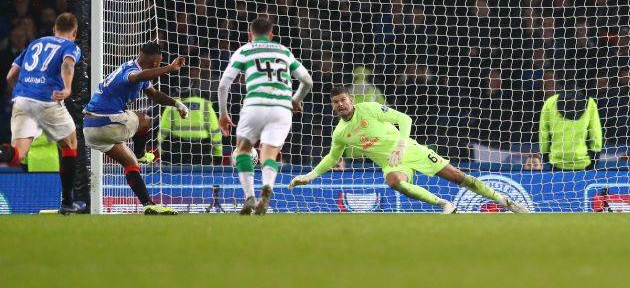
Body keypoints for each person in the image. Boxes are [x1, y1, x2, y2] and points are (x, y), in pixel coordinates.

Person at [289, 86, 530, 213]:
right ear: (332, 106)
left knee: (458, 177)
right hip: (392, 164)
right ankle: (445, 205)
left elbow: (404, 119)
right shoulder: (341, 133)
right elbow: (332, 158)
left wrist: (402, 145)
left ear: (351, 99)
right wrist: (308, 176)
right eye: (335, 102)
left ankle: (505, 201)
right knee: (394, 182)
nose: (340, 104)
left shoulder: (370, 108)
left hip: (410, 150)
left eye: (343, 99)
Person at [218, 17, 313, 215]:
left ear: (250, 34)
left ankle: (250, 196)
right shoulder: (284, 51)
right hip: (281, 108)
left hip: (254, 106)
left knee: (243, 150)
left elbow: (223, 85)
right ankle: (267, 186)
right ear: (272, 35)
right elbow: (307, 81)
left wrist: (224, 114)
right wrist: (294, 100)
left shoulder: (245, 50)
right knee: (269, 154)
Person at [83, 42, 188, 215]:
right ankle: (141, 154)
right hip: (106, 122)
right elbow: (135, 77)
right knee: (145, 119)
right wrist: (169, 68)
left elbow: (155, 95)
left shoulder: (134, 69)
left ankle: (148, 204)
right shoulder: (130, 72)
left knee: (129, 163)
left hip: (90, 130)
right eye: (159, 64)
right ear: (155, 63)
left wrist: (176, 103)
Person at [0, 13, 82, 214]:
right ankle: (68, 202)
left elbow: (10, 75)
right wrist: (68, 88)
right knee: (70, 144)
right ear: (74, 32)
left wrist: (23, 91)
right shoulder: (69, 46)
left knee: (17, 156)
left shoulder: (34, 44)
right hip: (47, 100)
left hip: (22, 99)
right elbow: (68, 64)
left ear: (54, 29)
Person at [539, 87, 603, 170]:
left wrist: (545, 156)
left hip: (556, 163)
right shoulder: (590, 103)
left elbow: (543, 133)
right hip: (583, 163)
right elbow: (596, 133)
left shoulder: (550, 102)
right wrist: (595, 157)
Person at [158, 87, 223, 165]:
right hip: (201, 150)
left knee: (178, 175)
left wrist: (161, 151)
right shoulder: (204, 104)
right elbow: (215, 131)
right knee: (201, 175)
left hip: (178, 151)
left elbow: (163, 131)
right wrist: (218, 154)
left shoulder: (171, 105)